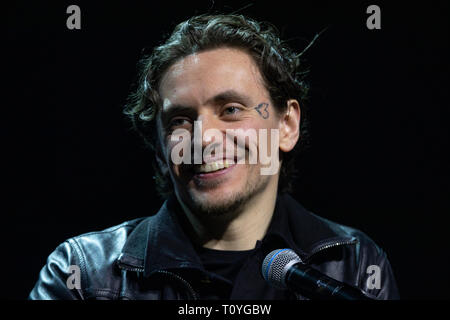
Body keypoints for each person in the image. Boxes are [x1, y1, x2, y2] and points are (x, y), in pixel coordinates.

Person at [29, 14, 399, 300]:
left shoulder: (354, 264)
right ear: (159, 149)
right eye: (180, 120)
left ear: (286, 125)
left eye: (231, 109)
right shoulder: (81, 272)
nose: (202, 138)